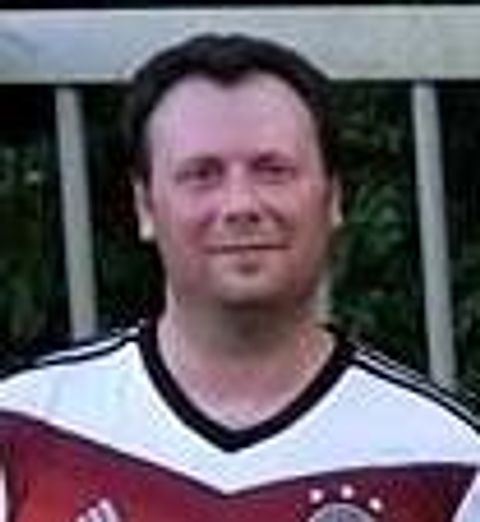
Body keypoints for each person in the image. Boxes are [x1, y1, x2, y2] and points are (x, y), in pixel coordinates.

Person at [0, 33, 478, 522]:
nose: (240, 205)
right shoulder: (23, 430)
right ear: (145, 206)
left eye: (273, 170)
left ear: (333, 197)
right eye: (202, 174)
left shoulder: (451, 460)